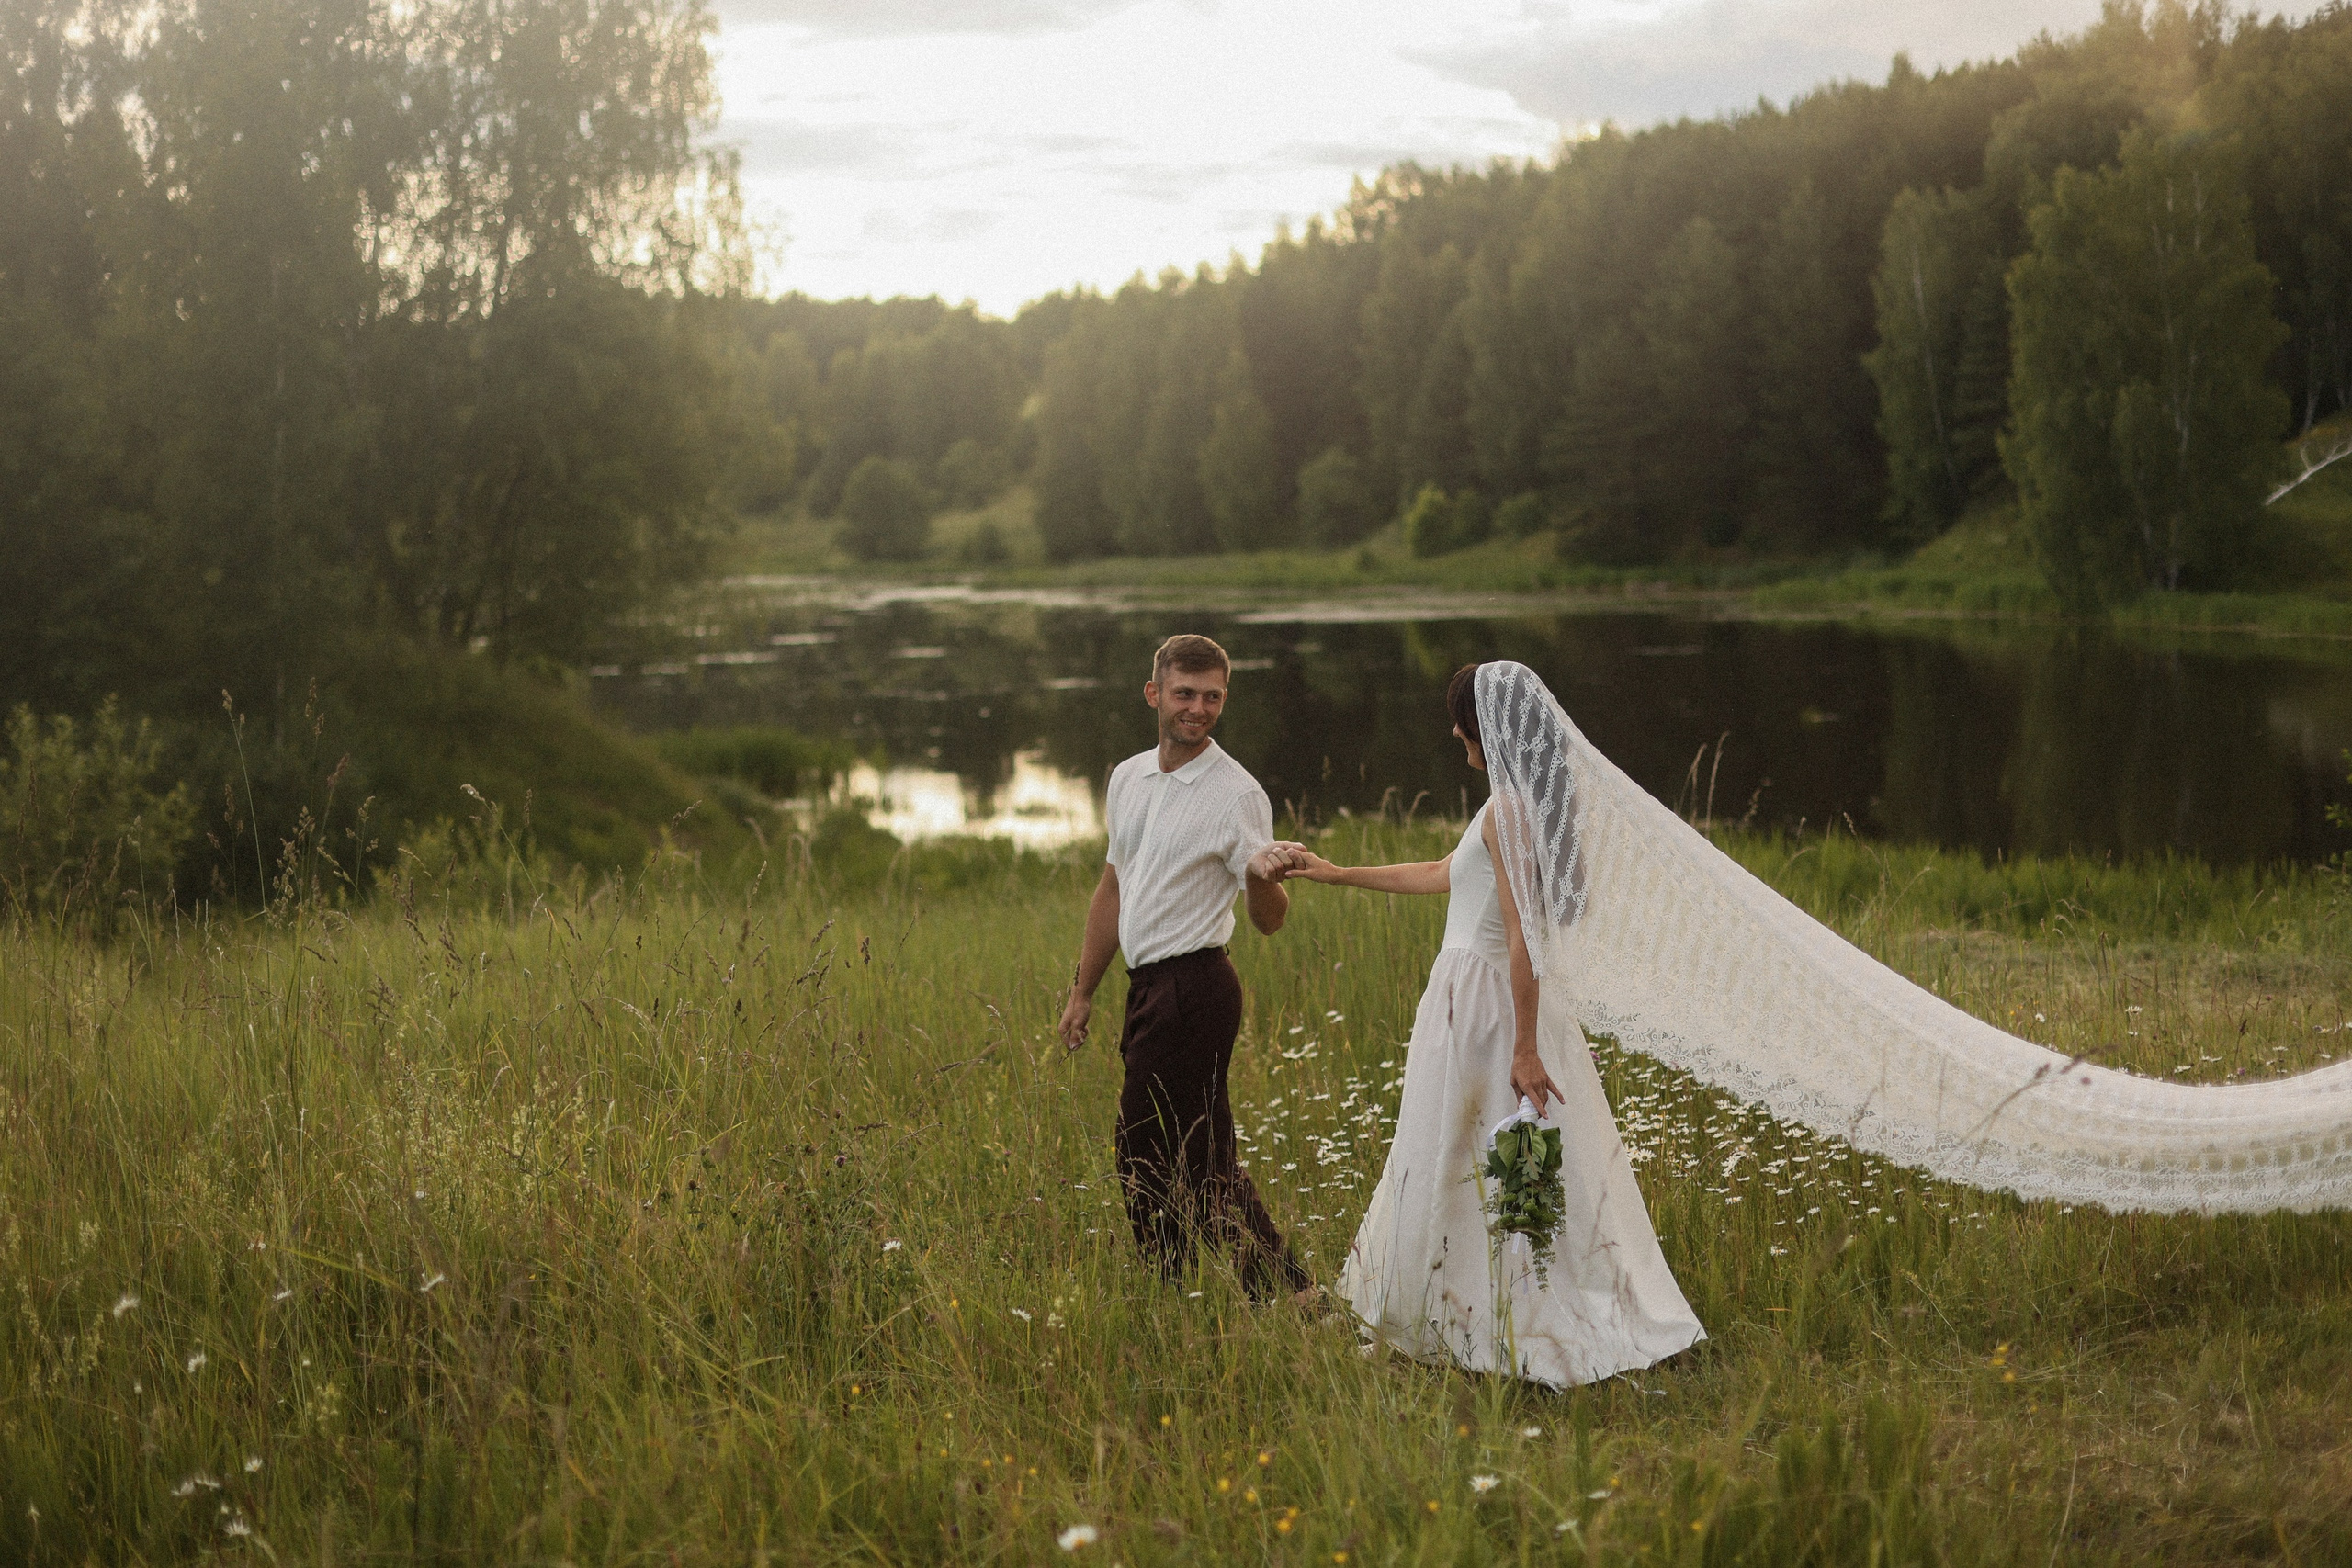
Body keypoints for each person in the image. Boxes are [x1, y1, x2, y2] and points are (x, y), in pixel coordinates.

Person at [1273, 660, 1704, 1386]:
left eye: (1459, 719)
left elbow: (1524, 935)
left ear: (1487, 728)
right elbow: (1446, 871)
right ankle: (1443, 1311)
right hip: (1472, 996)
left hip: (1485, 1007)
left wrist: (1526, 1047)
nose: (1451, 731)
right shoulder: (1512, 804)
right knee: (1453, 1149)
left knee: (1464, 1155)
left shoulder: (1510, 809)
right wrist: (1337, 873)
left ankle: (1484, 1318)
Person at [1058, 633, 1315, 1302]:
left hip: (1198, 987)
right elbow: (1113, 889)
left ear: (1223, 699)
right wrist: (1083, 991)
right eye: (1184, 694)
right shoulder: (1127, 777)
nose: (1197, 708)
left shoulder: (1237, 794)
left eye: (1211, 697)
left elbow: (1270, 916)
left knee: (1146, 1149)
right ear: (1155, 694)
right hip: (1148, 989)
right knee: (1199, 1157)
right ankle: (1286, 1297)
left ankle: (1177, 1290)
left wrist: (1261, 877)